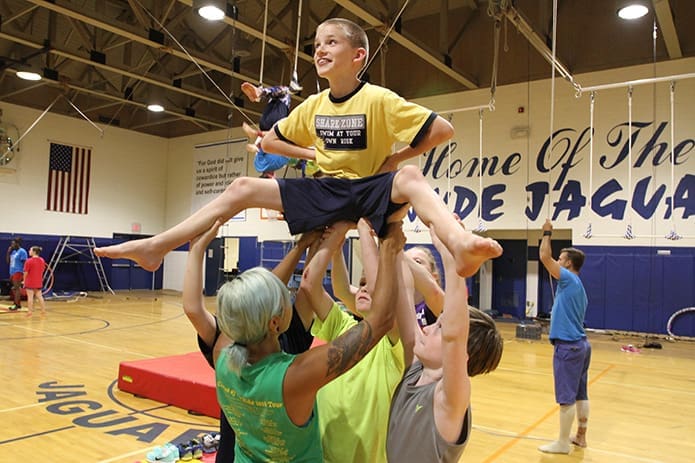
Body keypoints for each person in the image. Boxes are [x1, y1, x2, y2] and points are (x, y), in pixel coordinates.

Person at [94, 17, 502, 280]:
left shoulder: (379, 99)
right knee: (242, 187)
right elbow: (269, 140)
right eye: (316, 45)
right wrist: (314, 155)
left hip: (367, 188)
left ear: (358, 55)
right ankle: (157, 246)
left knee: (411, 177)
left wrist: (394, 159)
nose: (320, 50)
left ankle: (458, 242)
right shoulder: (312, 106)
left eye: (331, 43)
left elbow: (442, 130)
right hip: (326, 190)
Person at [212, 220, 404, 461]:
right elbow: (383, 319)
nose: (290, 299)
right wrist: (387, 248)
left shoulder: (222, 355)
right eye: (285, 298)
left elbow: (253, 301)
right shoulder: (295, 375)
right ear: (275, 322)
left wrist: (320, 240)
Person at [183, 224, 322, 463]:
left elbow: (306, 283)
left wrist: (311, 242)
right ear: (274, 319)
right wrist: (313, 243)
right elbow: (302, 286)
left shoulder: (227, 347)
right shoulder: (238, 340)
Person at [296, 217, 415, 463]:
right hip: (321, 456)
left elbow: (382, 298)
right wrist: (334, 240)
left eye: (367, 284)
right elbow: (310, 284)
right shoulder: (343, 325)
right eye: (359, 284)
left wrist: (362, 225)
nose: (363, 288)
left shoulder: (393, 343)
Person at [386, 224, 503, 462]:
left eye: (439, 327)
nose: (427, 328)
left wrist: (451, 256)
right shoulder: (417, 366)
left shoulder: (449, 397)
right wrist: (391, 240)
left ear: (462, 356)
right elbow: (406, 293)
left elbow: (454, 335)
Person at [538, 218, 591, 454]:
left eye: (560, 259)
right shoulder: (577, 285)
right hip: (580, 345)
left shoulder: (569, 279)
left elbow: (544, 258)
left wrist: (547, 233)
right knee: (580, 393)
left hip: (568, 348)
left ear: (568, 263)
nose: (556, 262)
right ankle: (580, 436)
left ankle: (561, 443)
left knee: (566, 398)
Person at [240, 80, 302, 178]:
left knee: (285, 92)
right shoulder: (258, 167)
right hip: (264, 122)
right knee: (277, 95)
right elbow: (261, 150)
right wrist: (256, 146)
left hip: (275, 123)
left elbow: (280, 139)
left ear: (272, 177)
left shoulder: (279, 163)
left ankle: (260, 93)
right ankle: (261, 94)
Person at [23, 246, 47, 317]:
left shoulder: (29, 261)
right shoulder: (42, 260)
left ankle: (29, 312)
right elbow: (42, 270)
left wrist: (24, 281)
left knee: (30, 297)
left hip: (30, 281)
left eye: (30, 250)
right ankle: (43, 311)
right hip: (38, 281)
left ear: (34, 252)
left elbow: (25, 272)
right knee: (40, 297)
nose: (29, 251)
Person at [6, 238, 27, 311]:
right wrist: (8, 252)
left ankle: (15, 304)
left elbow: (25, 263)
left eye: (13, 243)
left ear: (17, 244)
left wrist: (24, 274)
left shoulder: (22, 251)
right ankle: (18, 304)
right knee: (15, 288)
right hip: (12, 271)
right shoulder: (13, 251)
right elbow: (8, 262)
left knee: (16, 288)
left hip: (18, 272)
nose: (11, 245)